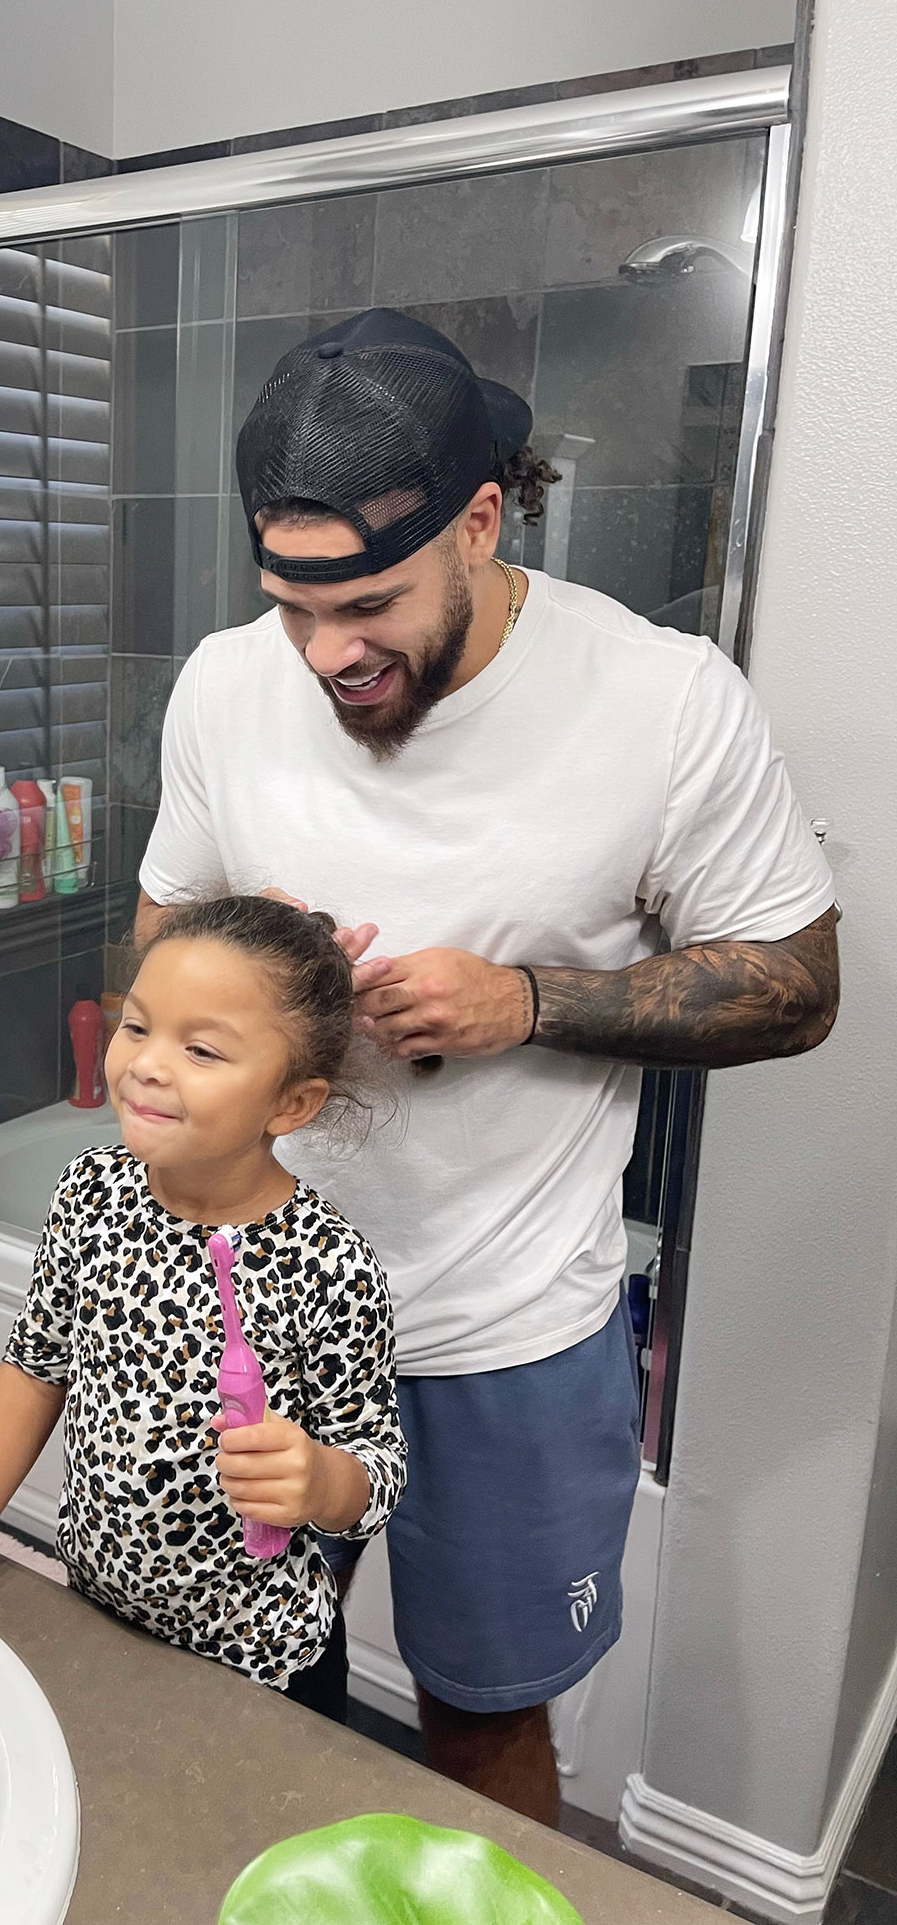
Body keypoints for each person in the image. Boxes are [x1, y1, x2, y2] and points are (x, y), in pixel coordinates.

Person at [134, 308, 839, 1822]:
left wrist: (529, 1002)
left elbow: (798, 988)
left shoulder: (661, 701)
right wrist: (263, 969)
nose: (327, 655)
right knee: (238, 1674)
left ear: (480, 519)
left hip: (506, 1330)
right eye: (292, 607)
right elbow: (160, 937)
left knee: (483, 1724)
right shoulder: (223, 685)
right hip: (259, 1302)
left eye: (368, 605)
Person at [0, 895, 407, 1722]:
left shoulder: (330, 1265)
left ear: (291, 1103)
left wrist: (322, 1481)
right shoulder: (91, 1194)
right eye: (137, 1026)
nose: (145, 1064)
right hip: (96, 1615)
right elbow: (33, 1372)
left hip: (263, 1664)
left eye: (202, 1049)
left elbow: (379, 1467)